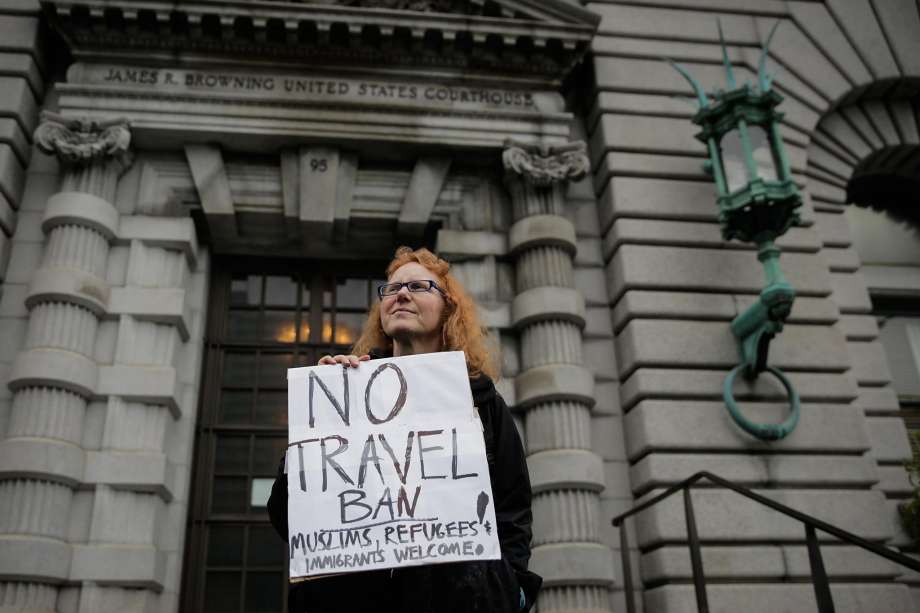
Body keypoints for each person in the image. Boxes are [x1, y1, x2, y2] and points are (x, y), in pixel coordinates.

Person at [267, 246, 541, 613]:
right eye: (391, 289)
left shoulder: (481, 402)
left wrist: (511, 589)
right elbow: (288, 516)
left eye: (417, 286)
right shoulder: (342, 394)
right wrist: (316, 432)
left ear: (447, 307)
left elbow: (512, 510)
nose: (400, 294)